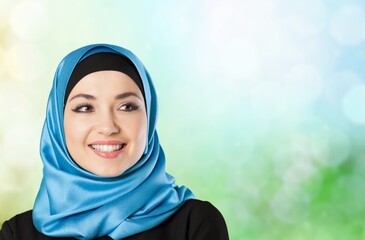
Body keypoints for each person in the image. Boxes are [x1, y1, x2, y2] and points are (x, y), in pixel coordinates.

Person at [0, 44, 229, 240]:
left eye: (127, 106)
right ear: (57, 123)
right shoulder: (18, 233)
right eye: (85, 108)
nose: (108, 127)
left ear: (149, 118)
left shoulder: (194, 224)